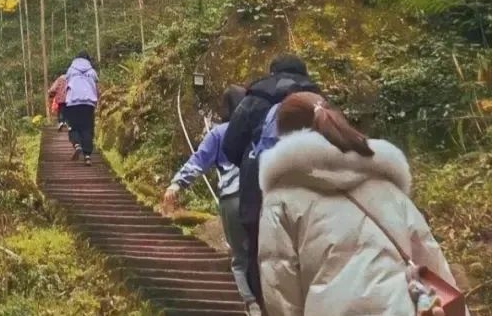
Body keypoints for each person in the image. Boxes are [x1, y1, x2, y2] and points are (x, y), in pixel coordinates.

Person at [259, 92, 460, 316]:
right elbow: (431, 259)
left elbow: (280, 287)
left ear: (284, 135)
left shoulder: (282, 198)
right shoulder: (385, 184)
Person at [221, 54, 320, 302]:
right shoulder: (318, 100)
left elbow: (231, 144)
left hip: (258, 190)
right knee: (306, 254)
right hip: (308, 192)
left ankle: (266, 304)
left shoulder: (254, 98)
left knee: (259, 254)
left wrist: (248, 163)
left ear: (272, 71)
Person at [162, 85, 259, 315]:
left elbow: (199, 161)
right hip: (260, 195)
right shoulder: (259, 128)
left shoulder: (219, 132)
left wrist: (176, 184)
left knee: (239, 258)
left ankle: (251, 305)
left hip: (232, 199)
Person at [64, 51, 98, 166]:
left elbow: (66, 83)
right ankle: (87, 156)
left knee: (73, 126)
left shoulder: (71, 70)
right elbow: (96, 82)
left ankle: (77, 144)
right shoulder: (92, 71)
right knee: (87, 128)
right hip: (88, 103)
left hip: (73, 102)